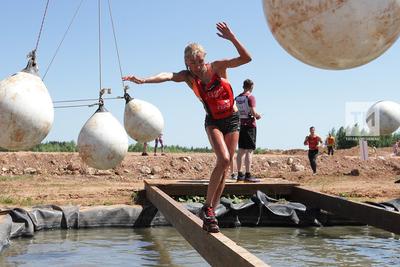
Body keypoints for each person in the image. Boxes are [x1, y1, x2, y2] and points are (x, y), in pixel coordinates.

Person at [122, 22, 252, 233]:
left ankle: (211, 211)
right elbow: (167, 76)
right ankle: (207, 208)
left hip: (233, 119)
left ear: (204, 58)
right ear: (186, 63)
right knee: (225, 159)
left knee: (226, 169)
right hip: (213, 122)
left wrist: (232, 38)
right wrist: (144, 80)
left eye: (199, 61)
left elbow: (247, 58)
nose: (196, 66)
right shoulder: (189, 78)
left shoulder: (218, 67)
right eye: (191, 63)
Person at [235, 79, 261, 182]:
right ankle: (248, 174)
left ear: (243, 86)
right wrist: (258, 115)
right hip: (250, 126)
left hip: (240, 125)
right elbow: (253, 112)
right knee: (249, 151)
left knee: (241, 150)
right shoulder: (250, 97)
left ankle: (239, 174)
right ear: (251, 86)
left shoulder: (237, 98)